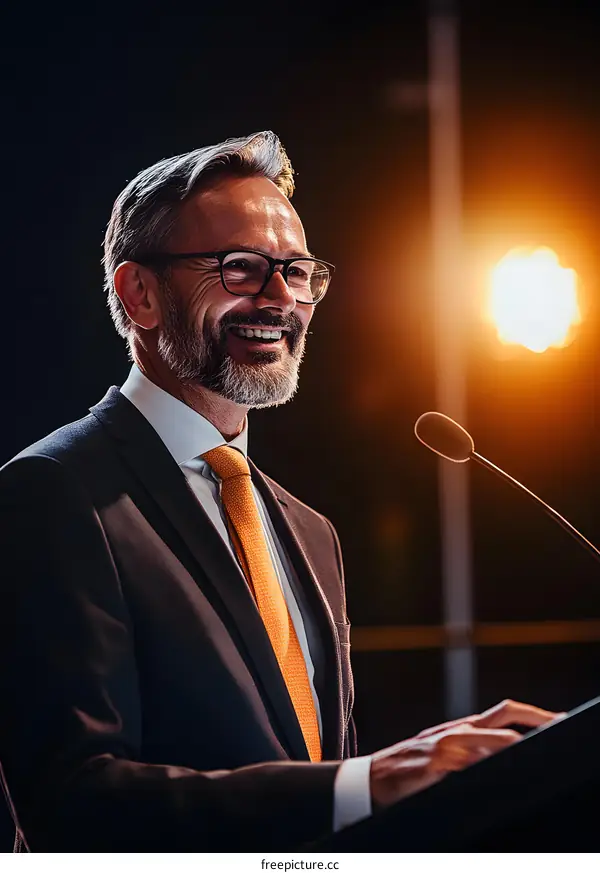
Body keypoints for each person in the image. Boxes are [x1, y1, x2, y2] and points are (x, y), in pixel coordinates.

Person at [0, 131, 559, 852]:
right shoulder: (52, 492)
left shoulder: (310, 531)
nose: (280, 299)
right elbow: (72, 801)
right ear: (140, 293)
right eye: (241, 269)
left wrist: (419, 779)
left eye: (296, 272)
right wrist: (360, 783)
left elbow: (314, 786)